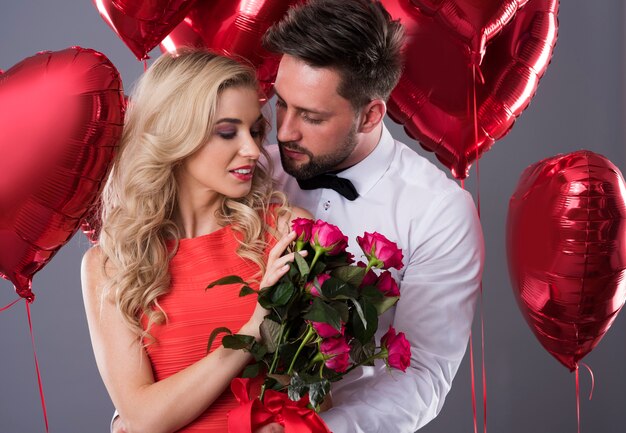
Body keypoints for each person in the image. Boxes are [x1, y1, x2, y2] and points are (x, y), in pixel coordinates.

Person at [261, 0, 485, 431]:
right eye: (281, 104)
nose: (284, 130)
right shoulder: (250, 172)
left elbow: (422, 374)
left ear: (371, 115)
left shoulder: (439, 211)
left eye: (311, 116)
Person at [82, 49, 311, 433]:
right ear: (175, 135)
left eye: (255, 130)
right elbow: (142, 418)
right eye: (227, 132)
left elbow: (312, 390)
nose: (253, 150)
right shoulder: (110, 264)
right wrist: (252, 329)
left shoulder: (286, 233)